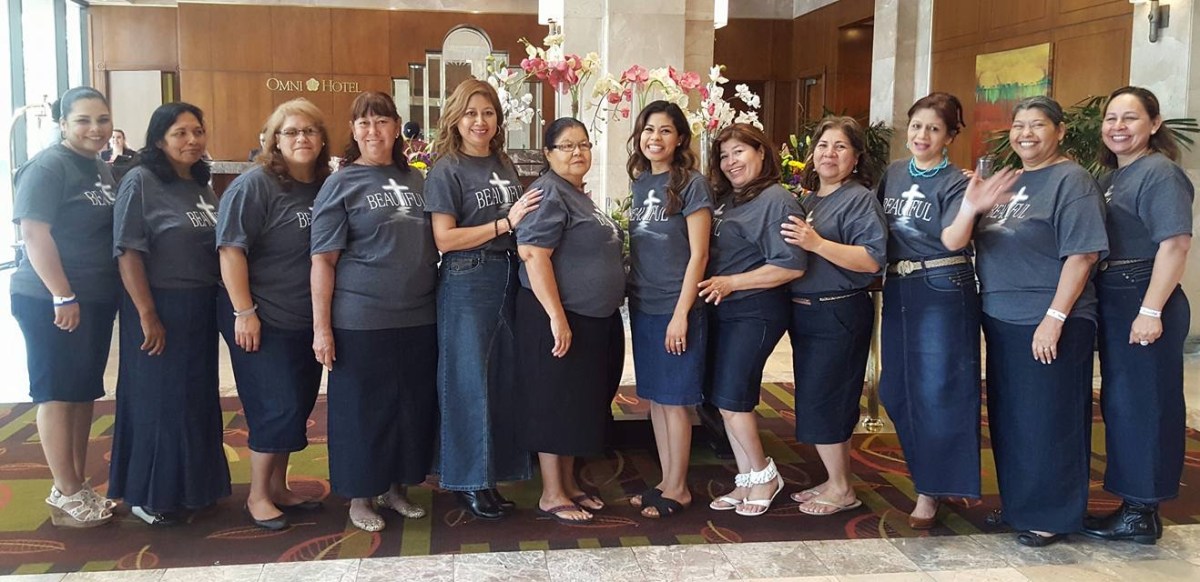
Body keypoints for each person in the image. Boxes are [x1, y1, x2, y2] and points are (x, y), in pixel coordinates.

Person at [974, 96, 1108, 547]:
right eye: (1019, 125)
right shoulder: (1009, 179)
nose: (1025, 134)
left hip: (1050, 319)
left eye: (1037, 125)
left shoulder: (1072, 180)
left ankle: (1052, 514)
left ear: (1060, 131)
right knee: (1012, 419)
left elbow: (1082, 254)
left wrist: (1054, 318)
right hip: (1003, 318)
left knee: (1050, 419)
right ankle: (1020, 506)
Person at [876, 92, 1014, 529]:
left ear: (950, 136)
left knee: (937, 390)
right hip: (899, 285)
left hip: (941, 284)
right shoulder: (894, 173)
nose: (922, 135)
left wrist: (971, 206)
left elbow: (954, 239)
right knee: (895, 390)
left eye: (934, 129)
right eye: (917, 126)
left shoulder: (958, 182)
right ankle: (930, 476)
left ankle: (930, 490)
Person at [310, 91, 438, 532]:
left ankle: (396, 488)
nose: (373, 131)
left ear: (396, 127)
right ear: (353, 130)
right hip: (361, 319)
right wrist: (322, 329)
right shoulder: (341, 183)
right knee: (363, 412)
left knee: (409, 407)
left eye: (381, 121)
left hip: (419, 315)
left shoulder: (418, 179)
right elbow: (323, 260)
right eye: (363, 123)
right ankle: (360, 496)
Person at [108, 102, 231, 526]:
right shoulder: (140, 181)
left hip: (199, 307)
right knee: (157, 402)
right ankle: (149, 494)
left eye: (197, 131)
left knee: (194, 400)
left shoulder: (199, 183)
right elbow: (127, 251)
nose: (192, 140)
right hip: (158, 305)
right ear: (159, 139)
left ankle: (193, 489)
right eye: (180, 133)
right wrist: (147, 314)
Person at [424, 79, 542, 520]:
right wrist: (504, 224)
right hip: (467, 277)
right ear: (455, 118)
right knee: (467, 381)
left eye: (488, 113)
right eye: (471, 113)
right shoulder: (446, 169)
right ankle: (467, 480)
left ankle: (492, 475)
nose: (480, 121)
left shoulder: (502, 162)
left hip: (507, 273)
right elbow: (444, 239)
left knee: (501, 379)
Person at [1082, 86, 1192, 545]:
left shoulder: (1160, 172)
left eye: (1130, 118)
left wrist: (1150, 309)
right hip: (1114, 294)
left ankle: (1142, 512)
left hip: (1143, 294)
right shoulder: (1111, 177)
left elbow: (1176, 244)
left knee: (1146, 405)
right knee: (1123, 404)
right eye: (1111, 118)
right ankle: (1133, 504)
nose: (1118, 127)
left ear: (1154, 123)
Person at [215, 98, 330, 530]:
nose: (302, 138)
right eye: (291, 132)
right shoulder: (254, 185)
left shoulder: (323, 186)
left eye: (310, 131)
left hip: (304, 317)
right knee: (273, 405)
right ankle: (258, 496)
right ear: (274, 140)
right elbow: (230, 251)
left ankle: (279, 487)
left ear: (322, 140)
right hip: (261, 316)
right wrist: (244, 311)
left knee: (295, 404)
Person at [10, 86, 119, 527]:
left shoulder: (98, 166)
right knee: (57, 393)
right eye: (83, 120)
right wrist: (62, 293)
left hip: (93, 297)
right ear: (63, 124)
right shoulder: (48, 166)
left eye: (102, 119)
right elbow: (34, 234)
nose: (95, 128)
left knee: (82, 391)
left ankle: (75, 484)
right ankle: (66, 489)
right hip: (49, 298)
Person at [515, 118, 625, 525]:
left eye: (583, 144)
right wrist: (557, 317)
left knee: (573, 404)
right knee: (554, 402)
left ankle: (569, 483)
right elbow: (533, 254)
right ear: (548, 153)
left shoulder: (576, 194)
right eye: (566, 145)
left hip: (587, 317)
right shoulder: (548, 192)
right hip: (556, 316)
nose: (577, 152)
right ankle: (552, 493)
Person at [779, 116, 887, 516]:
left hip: (838, 311)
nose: (829, 154)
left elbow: (871, 260)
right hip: (807, 314)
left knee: (830, 400)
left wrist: (817, 243)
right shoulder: (810, 200)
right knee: (816, 398)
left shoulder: (859, 199)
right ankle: (833, 479)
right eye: (823, 146)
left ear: (856, 157)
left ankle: (843, 489)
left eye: (840, 147)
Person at [701, 123, 806, 517]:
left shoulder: (777, 200)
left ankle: (765, 475)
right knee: (726, 399)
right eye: (724, 155)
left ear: (761, 152)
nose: (731, 162)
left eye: (739, 152)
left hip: (755, 309)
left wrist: (732, 282)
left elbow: (791, 265)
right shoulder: (731, 199)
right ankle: (745, 479)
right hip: (726, 309)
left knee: (733, 398)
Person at [623, 101, 712, 519]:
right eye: (648, 129)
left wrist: (681, 314)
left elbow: (699, 255)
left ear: (679, 139)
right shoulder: (641, 183)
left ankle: (679, 488)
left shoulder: (692, 184)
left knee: (675, 400)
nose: (654, 138)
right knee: (656, 399)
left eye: (664, 130)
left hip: (677, 306)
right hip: (644, 304)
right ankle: (666, 479)